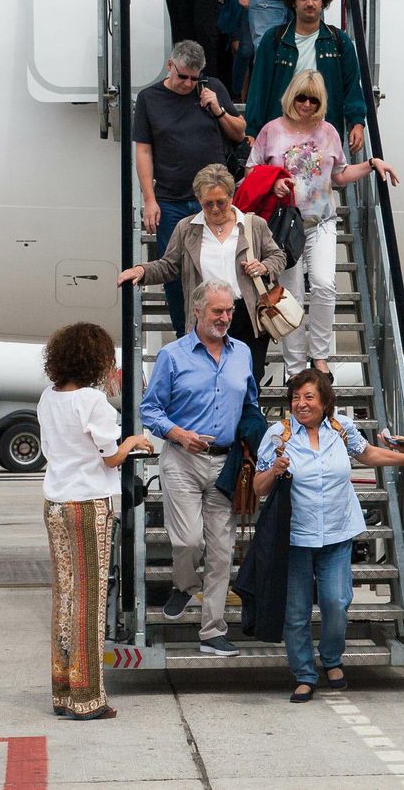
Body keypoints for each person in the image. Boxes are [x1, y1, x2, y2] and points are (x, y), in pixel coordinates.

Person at [253, 369, 404, 701]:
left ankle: (331, 658)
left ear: (325, 401)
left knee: (335, 602)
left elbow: (367, 453)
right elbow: (258, 487)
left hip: (339, 532)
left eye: (309, 397)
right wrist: (275, 470)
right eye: (296, 398)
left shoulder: (341, 428)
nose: (301, 404)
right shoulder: (278, 435)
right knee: (296, 611)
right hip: (296, 538)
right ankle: (303, 673)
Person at [38, 323, 154, 720]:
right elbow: (109, 456)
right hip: (87, 504)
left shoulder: (47, 398)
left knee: (64, 596)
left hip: (54, 502)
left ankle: (62, 690)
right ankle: (88, 697)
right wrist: (133, 442)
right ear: (97, 361)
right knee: (89, 600)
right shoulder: (93, 401)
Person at [247, 71, 397, 377]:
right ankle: (294, 367)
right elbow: (251, 170)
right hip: (285, 224)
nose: (306, 104)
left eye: (313, 99)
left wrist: (371, 164)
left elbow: (339, 174)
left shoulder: (328, 131)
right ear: (291, 97)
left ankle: (319, 355)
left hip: (321, 220)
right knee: (291, 295)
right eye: (301, 97)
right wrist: (273, 183)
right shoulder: (271, 131)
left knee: (325, 285)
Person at [141, 281, 261, 657]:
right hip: (182, 459)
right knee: (188, 541)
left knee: (222, 551)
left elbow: (250, 406)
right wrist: (178, 434)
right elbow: (150, 410)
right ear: (197, 311)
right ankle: (182, 583)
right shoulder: (172, 356)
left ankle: (212, 631)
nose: (225, 318)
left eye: (229, 312)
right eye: (217, 312)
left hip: (225, 464)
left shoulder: (241, 353)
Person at [118, 164, 285, 384]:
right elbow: (169, 265)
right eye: (208, 204)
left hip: (245, 314)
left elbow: (278, 256)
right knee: (206, 380)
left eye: (221, 202)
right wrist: (142, 270)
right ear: (199, 201)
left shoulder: (254, 225)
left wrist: (264, 267)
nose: (215, 209)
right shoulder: (187, 228)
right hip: (207, 317)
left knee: (246, 381)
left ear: (231, 197)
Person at [133, 41, 248, 334]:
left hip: (213, 200)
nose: (188, 84)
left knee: (220, 266)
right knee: (175, 272)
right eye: (183, 76)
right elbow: (144, 151)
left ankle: (224, 331)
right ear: (170, 65)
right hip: (170, 198)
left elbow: (240, 132)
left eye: (194, 78)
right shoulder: (150, 98)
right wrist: (149, 199)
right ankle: (186, 333)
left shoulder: (213, 88)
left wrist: (218, 110)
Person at [244, 0, 366, 150]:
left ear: (323, 1)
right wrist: (252, 130)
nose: (310, 3)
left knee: (323, 179)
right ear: (293, 2)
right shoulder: (274, 39)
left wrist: (357, 122)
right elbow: (258, 88)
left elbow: (352, 86)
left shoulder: (339, 41)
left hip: (324, 133)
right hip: (281, 132)